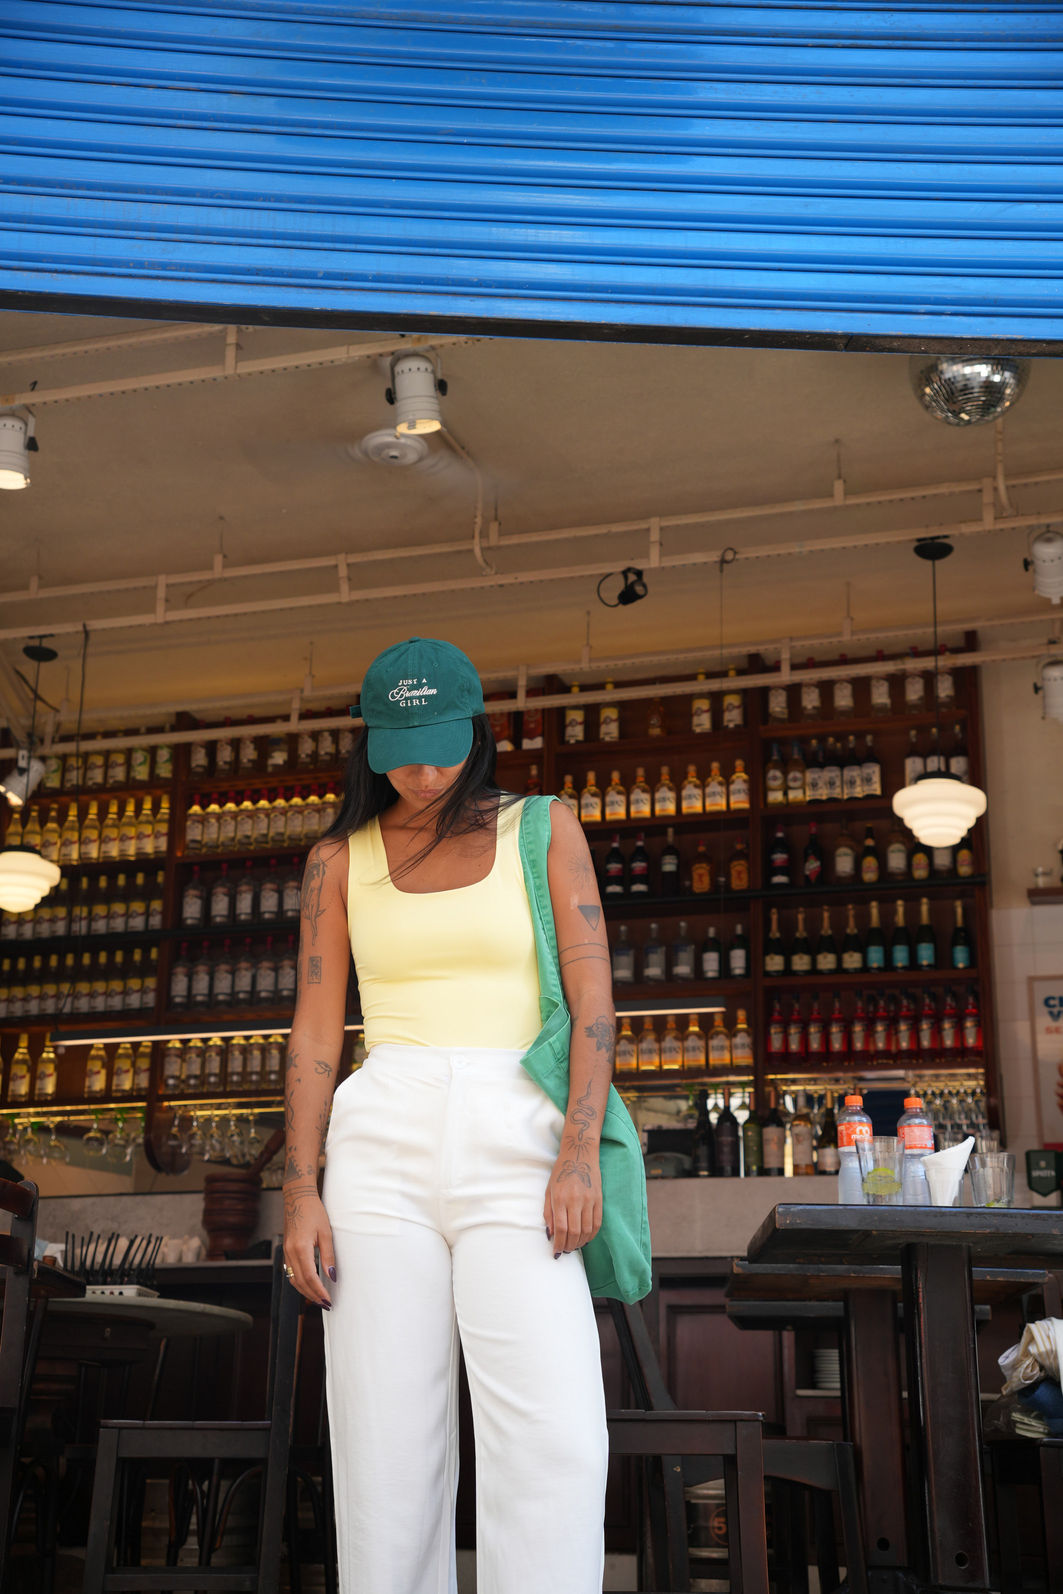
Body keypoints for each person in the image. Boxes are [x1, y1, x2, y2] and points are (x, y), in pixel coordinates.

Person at [283, 636, 613, 1594]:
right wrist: (299, 1191)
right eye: (402, 754)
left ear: (476, 731)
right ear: (371, 744)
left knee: (553, 1435)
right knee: (382, 1445)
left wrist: (579, 1153)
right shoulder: (336, 860)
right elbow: (315, 1031)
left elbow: (593, 1000)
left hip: (519, 1133)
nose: (423, 774)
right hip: (379, 1139)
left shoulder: (543, 828)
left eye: (439, 750)